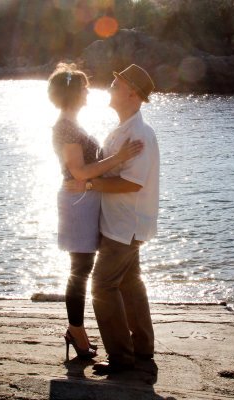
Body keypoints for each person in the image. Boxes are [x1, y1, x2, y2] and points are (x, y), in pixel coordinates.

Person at [66, 64, 159, 374]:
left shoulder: (139, 133)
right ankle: (142, 347)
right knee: (130, 284)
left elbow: (133, 183)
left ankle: (121, 356)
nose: (110, 87)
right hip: (122, 224)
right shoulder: (123, 129)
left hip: (125, 225)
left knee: (103, 286)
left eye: (116, 83)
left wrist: (89, 184)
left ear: (131, 93)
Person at [48, 63, 144, 360]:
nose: (89, 92)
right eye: (85, 89)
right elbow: (79, 172)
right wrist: (119, 157)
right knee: (80, 270)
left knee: (83, 268)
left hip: (85, 201)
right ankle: (76, 330)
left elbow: (83, 172)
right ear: (76, 94)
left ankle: (77, 329)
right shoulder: (65, 126)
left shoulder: (71, 123)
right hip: (78, 203)